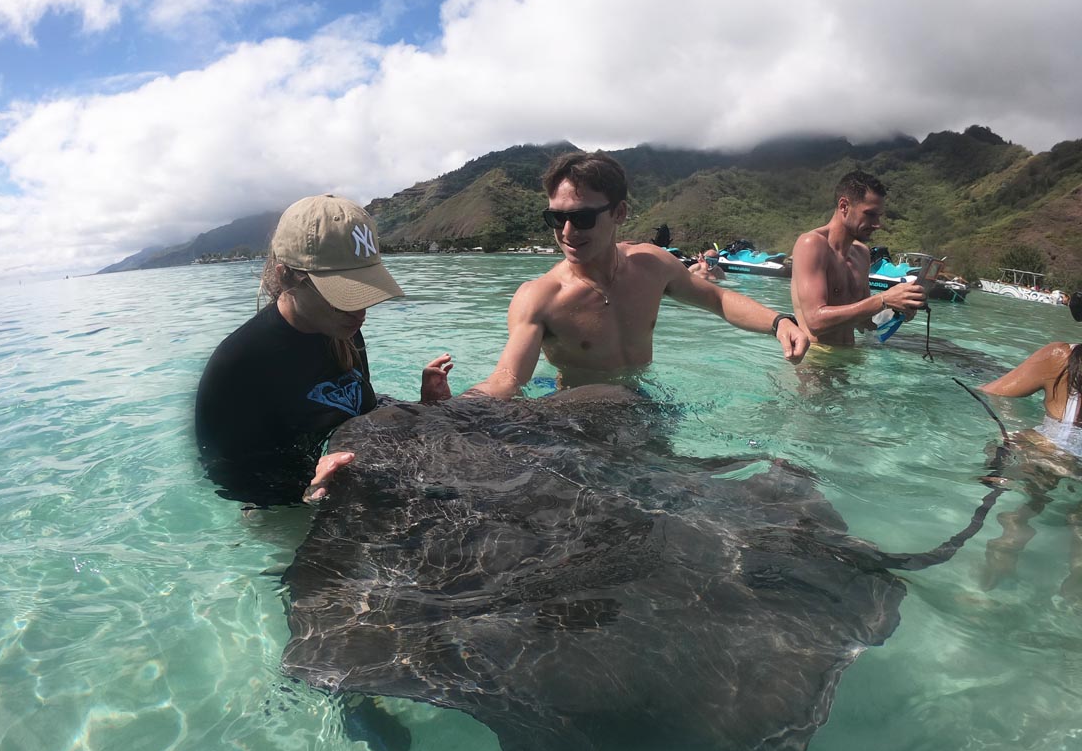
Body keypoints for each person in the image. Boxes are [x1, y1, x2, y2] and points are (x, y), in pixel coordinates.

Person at [467, 151, 808, 397]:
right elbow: (506, 380)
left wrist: (779, 322)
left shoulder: (651, 265)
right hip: (576, 415)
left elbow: (717, 298)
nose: (567, 232)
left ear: (619, 213)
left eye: (582, 218)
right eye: (556, 218)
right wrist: (450, 409)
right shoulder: (541, 298)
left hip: (642, 399)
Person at [195, 193, 452, 509]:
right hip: (288, 506)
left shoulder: (342, 329)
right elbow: (227, 475)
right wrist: (308, 492)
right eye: (343, 293)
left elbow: (360, 414)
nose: (360, 310)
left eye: (364, 288)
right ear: (285, 275)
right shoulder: (238, 364)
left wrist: (423, 410)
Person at [977, 294, 1082, 599]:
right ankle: (1069, 606)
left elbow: (991, 394)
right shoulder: (1061, 360)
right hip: (1053, 458)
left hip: (1045, 457)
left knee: (1021, 515)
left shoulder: (1060, 358)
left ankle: (986, 592)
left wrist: (1013, 434)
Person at [789, 170, 926, 346]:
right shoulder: (812, 244)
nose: (877, 224)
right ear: (844, 206)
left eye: (879, 216)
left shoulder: (861, 253)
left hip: (850, 358)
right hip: (816, 359)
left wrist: (897, 310)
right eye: (870, 214)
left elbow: (863, 324)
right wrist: (883, 299)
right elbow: (815, 321)